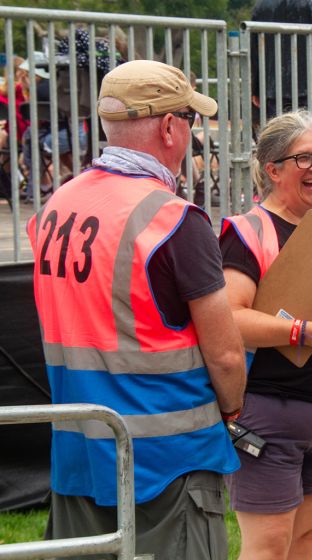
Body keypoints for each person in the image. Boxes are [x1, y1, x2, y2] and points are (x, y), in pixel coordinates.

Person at [27, 59, 247, 560]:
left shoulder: (57, 204)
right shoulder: (173, 219)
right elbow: (227, 358)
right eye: (190, 121)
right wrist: (232, 408)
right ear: (170, 126)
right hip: (168, 466)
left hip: (80, 448)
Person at [219, 110, 312, 560]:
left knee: (304, 544)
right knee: (269, 548)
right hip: (270, 413)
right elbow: (230, 319)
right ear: (272, 169)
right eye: (304, 158)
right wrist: (303, 332)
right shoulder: (248, 233)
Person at [250, 0, 312, 121]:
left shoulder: (262, 5)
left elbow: (256, 49)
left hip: (273, 92)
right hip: (311, 91)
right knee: (311, 134)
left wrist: (257, 88)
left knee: (279, 136)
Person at [19, 51, 87, 203]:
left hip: (56, 139)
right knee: (63, 153)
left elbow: (34, 123)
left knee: (31, 138)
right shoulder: (64, 86)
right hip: (80, 135)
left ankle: (38, 186)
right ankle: (81, 180)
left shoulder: (39, 90)